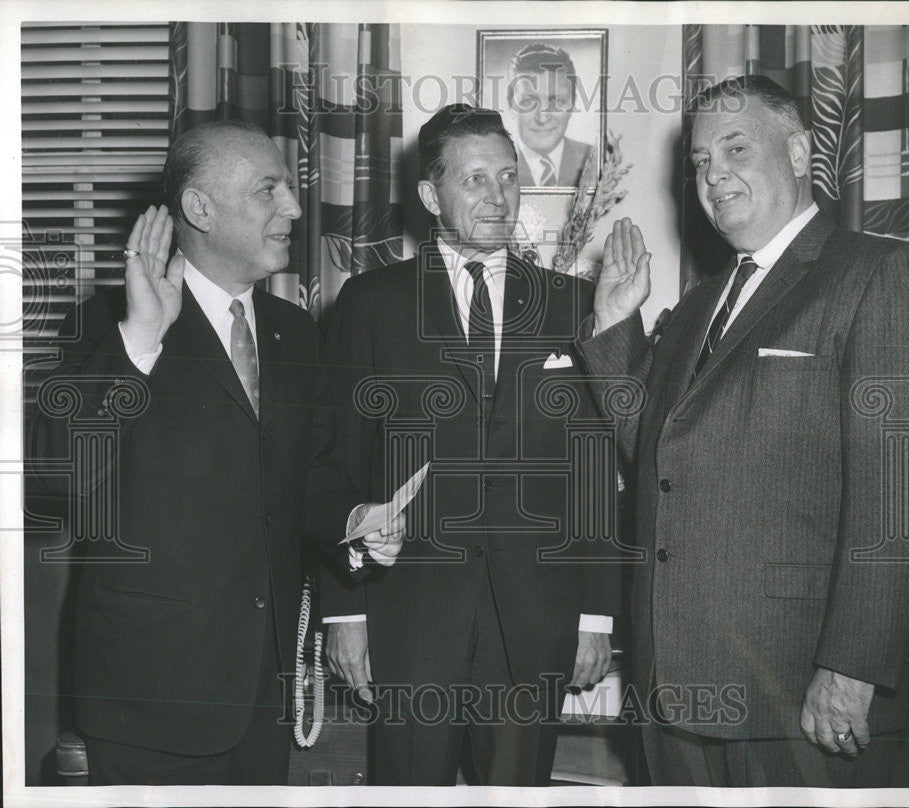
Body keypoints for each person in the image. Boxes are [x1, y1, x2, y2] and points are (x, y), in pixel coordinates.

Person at [577, 76, 909, 787]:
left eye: (735, 147)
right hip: (678, 690)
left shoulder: (880, 274)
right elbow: (665, 454)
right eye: (698, 161)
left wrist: (851, 667)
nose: (712, 172)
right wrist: (615, 326)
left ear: (800, 149)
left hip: (802, 694)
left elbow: (904, 492)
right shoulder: (698, 303)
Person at [27, 120, 401, 785]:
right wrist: (141, 338)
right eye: (269, 190)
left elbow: (306, 471)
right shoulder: (105, 322)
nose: (292, 207)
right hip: (152, 695)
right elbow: (59, 475)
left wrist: (356, 520)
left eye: (288, 187)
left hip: (263, 687)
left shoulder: (293, 331)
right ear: (200, 208)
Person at [321, 103, 621, 786]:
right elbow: (336, 464)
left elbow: (595, 470)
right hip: (410, 618)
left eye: (508, 177)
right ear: (431, 195)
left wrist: (596, 614)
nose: (498, 196)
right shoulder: (371, 304)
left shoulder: (574, 306)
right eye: (475, 179)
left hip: (535, 620)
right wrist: (344, 610)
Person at [506, 43, 595, 188]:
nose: (542, 118)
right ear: (511, 105)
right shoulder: (492, 162)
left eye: (557, 101)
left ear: (572, 105)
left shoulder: (597, 160)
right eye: (528, 101)